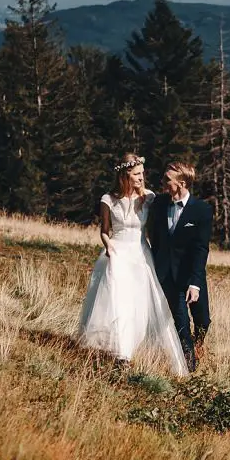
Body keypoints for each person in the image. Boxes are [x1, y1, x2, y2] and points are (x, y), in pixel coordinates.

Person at [76, 153, 189, 377]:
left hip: (139, 254)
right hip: (117, 253)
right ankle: (122, 355)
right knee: (120, 303)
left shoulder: (149, 197)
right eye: (136, 174)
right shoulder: (108, 199)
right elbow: (104, 231)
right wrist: (108, 246)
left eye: (142, 174)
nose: (141, 178)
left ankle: (133, 351)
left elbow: (156, 228)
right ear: (125, 176)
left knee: (139, 304)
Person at [146, 161, 212, 372]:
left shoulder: (202, 210)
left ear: (181, 183)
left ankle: (198, 343)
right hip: (168, 276)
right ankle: (190, 368)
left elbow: (201, 249)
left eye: (168, 179)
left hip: (192, 276)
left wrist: (195, 284)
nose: (163, 182)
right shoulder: (158, 204)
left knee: (203, 320)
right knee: (181, 323)